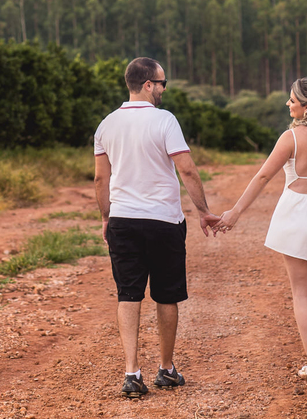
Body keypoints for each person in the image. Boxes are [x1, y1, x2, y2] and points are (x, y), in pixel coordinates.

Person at [215, 76, 307, 385]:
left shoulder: (291, 138)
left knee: (301, 292)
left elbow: (263, 177)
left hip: (297, 213)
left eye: (292, 100)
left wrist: (235, 213)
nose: (287, 104)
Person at [94, 57, 220, 399]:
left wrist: (106, 217)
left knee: (128, 293)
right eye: (162, 83)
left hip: (123, 221)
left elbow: (100, 178)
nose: (164, 89)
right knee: (166, 294)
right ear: (147, 84)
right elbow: (188, 170)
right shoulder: (165, 121)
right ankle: (166, 369)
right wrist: (204, 211)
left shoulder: (106, 124)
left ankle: (132, 373)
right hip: (163, 221)